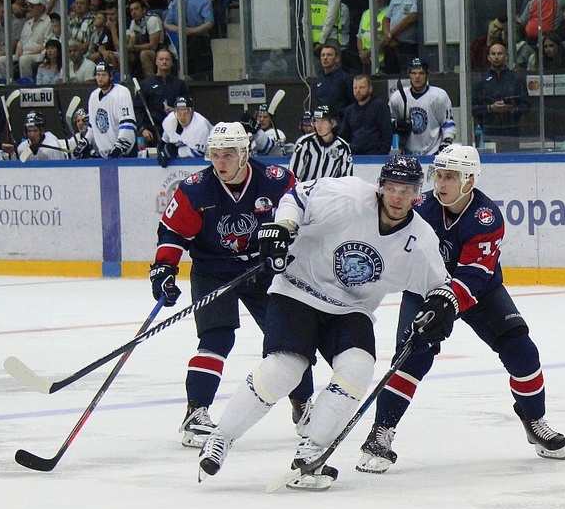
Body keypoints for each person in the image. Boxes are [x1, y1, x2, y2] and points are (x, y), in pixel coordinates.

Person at [195, 155, 457, 491]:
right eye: (391, 188)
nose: (397, 197)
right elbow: (296, 197)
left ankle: (311, 450)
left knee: (358, 368)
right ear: (380, 186)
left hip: (351, 309)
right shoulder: (347, 195)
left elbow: (440, 287)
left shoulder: (419, 239)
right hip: (297, 289)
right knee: (284, 369)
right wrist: (285, 227)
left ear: (417, 194)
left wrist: (440, 307)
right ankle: (221, 437)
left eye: (405, 191)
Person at [356, 145, 565, 475]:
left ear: (469, 181)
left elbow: (475, 275)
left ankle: (534, 419)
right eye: (438, 175)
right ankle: (380, 432)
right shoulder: (420, 207)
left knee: (521, 349)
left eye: (450, 177)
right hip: (425, 288)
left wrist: (448, 300)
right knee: (412, 354)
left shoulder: (486, 218)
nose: (441, 183)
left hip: (479, 292)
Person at [150, 122, 315, 448]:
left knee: (289, 340)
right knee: (216, 337)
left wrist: (286, 246)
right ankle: (196, 413)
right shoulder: (195, 189)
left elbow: (303, 219)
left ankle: (304, 406)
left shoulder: (276, 181)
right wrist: (164, 270)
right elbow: (173, 233)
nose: (220, 162)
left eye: (228, 155)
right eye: (215, 155)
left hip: (264, 270)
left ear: (245, 154)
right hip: (213, 269)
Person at [388, 57, 455, 155]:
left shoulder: (439, 96)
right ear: (409, 74)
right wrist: (396, 125)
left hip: (433, 153)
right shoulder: (398, 97)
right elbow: (387, 120)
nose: (417, 77)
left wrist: (447, 141)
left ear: (427, 74)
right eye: (414, 73)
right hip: (407, 154)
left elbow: (448, 122)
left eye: (421, 73)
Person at [472, 40, 530, 142]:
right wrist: (490, 108)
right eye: (493, 54)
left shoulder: (516, 78)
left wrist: (512, 109)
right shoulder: (480, 79)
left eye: (499, 54)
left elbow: (526, 105)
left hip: (512, 130)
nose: (496, 57)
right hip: (488, 130)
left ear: (506, 57)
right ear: (489, 58)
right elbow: (472, 107)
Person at [136, 48, 191, 147]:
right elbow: (137, 109)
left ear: (171, 62)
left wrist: (175, 110)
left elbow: (189, 106)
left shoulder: (179, 84)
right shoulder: (145, 84)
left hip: (176, 131)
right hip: (152, 132)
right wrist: (143, 129)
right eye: (161, 59)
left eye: (167, 59)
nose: (164, 62)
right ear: (156, 62)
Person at [287, 103, 353, 181]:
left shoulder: (343, 147)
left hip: (329, 192)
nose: (319, 126)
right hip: (305, 191)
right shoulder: (305, 143)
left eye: (323, 121)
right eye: (316, 121)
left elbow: (346, 180)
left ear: (334, 123)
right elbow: (292, 175)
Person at [86, 61, 138, 158]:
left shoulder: (121, 93)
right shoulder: (93, 96)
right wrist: (86, 141)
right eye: (98, 75)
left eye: (104, 75)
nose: (100, 78)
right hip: (104, 154)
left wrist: (119, 146)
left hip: (124, 153)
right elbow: (93, 126)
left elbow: (127, 124)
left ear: (111, 76)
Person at [339, 72, 393, 155]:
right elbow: (344, 135)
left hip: (375, 156)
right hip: (355, 156)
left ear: (370, 89)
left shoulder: (379, 106)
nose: (358, 91)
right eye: (355, 88)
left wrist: (382, 155)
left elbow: (387, 134)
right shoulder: (349, 110)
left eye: (361, 87)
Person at [381, 0, 420, 73]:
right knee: (391, 77)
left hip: (408, 47)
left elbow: (412, 17)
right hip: (393, 45)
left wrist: (391, 34)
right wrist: (388, 35)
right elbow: (386, 19)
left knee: (408, 76)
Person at [125, 0, 164, 78]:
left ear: (144, 10)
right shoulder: (133, 22)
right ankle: (128, 79)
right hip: (142, 49)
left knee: (144, 54)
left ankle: (151, 81)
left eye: (136, 9)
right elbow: (131, 42)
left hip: (161, 50)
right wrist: (129, 47)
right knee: (126, 54)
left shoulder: (153, 20)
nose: (133, 12)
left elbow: (153, 46)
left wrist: (134, 47)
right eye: (131, 10)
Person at [312, 42, 355, 114]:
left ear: (337, 58)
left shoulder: (345, 78)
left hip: (340, 121)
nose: (325, 58)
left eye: (329, 55)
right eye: (323, 55)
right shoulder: (318, 80)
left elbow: (353, 104)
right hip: (322, 121)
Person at [358, 0, 390, 70]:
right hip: (366, 60)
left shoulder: (389, 13)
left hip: (381, 61)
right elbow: (359, 37)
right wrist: (362, 54)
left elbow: (386, 38)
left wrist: (367, 53)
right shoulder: (365, 13)